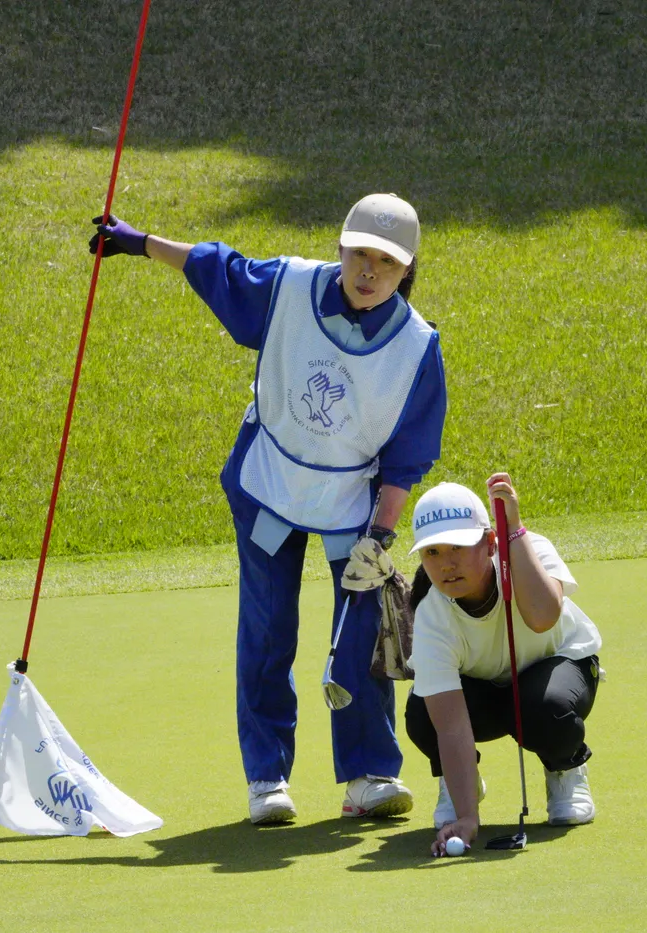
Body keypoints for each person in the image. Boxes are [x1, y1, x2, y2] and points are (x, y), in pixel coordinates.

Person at [90, 194, 448, 824]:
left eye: (387, 262)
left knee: (358, 637)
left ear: (407, 269)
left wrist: (381, 538)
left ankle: (368, 774)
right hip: (268, 485)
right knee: (267, 629)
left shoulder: (418, 348)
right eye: (359, 254)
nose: (369, 271)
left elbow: (407, 458)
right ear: (340, 248)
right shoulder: (290, 285)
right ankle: (267, 778)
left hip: (352, 505)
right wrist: (137, 242)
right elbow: (217, 267)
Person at [403, 474, 603, 856]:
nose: (447, 564)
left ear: (490, 542)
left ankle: (564, 767)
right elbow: (451, 725)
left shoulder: (531, 549)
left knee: (546, 708)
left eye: (458, 547)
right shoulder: (431, 616)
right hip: (485, 689)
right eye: (432, 552)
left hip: (557, 666)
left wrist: (514, 528)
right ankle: (461, 785)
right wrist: (467, 817)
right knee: (422, 712)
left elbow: (542, 617)